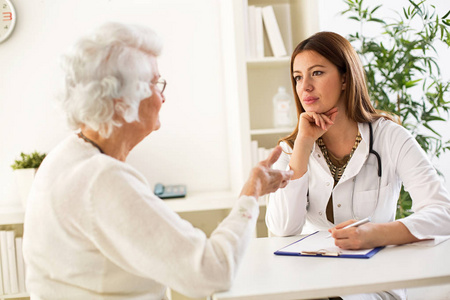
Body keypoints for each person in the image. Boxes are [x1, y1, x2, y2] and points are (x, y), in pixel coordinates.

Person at [22, 22, 293, 300]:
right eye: (155, 83)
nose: (163, 97)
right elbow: (213, 272)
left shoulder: (67, 157)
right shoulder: (100, 178)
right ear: (121, 98)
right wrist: (252, 191)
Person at [265, 31, 450, 300]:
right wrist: (303, 146)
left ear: (344, 78)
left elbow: (443, 212)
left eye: (316, 73)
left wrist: (376, 233)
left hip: (372, 282)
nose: (304, 86)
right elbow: (282, 228)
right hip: (311, 279)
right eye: (297, 77)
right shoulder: (291, 149)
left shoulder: (390, 137)